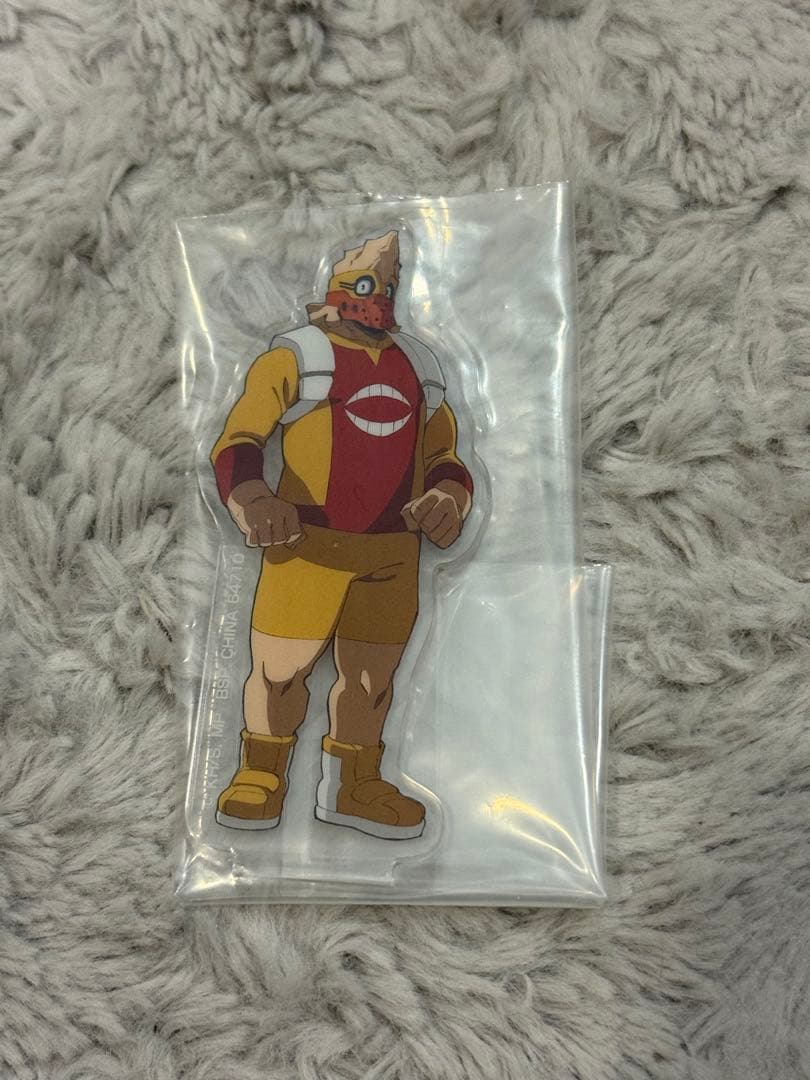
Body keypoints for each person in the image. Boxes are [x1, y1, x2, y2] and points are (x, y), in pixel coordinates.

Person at [211, 231, 473, 839]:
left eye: (389, 284)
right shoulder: (296, 357)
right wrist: (252, 498)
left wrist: (450, 497)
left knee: (371, 682)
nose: (379, 295)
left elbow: (444, 456)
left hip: (392, 555)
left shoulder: (421, 366)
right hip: (304, 549)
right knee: (279, 672)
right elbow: (239, 440)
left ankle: (354, 786)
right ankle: (259, 774)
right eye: (370, 282)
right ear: (339, 285)